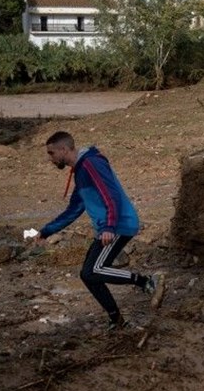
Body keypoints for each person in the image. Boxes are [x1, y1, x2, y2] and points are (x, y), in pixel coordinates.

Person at [33, 131, 166, 330]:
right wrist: (46, 231)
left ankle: (147, 282)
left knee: (93, 270)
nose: (50, 158)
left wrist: (109, 226)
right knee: (88, 275)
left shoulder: (91, 164)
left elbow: (111, 194)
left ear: (63, 149)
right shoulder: (80, 171)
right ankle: (116, 320)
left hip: (118, 225)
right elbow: (74, 209)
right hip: (108, 228)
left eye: (51, 153)